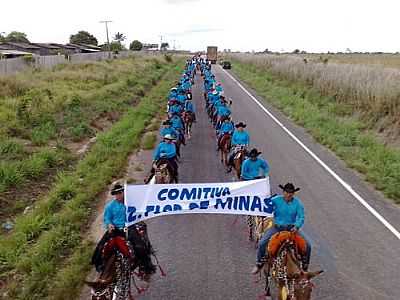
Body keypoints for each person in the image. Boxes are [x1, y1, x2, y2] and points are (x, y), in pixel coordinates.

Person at [251, 183, 312, 274]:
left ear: (293, 193)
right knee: (262, 243)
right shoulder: (275, 200)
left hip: (292, 229)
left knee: (308, 245)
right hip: (277, 228)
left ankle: (305, 265)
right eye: (287, 192)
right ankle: (259, 263)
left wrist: (297, 226)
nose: (289, 194)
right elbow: (265, 205)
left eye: (291, 192)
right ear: (283, 192)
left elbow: (301, 217)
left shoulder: (298, 203)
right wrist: (263, 202)